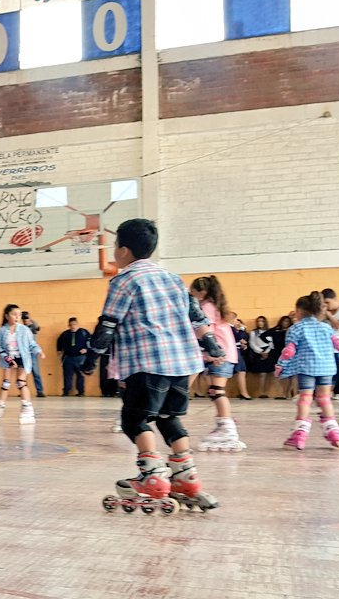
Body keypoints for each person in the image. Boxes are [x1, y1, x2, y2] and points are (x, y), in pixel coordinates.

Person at [80, 219, 223, 513]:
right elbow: (197, 317)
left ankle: (153, 476)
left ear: (123, 250)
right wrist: (211, 344)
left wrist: (92, 357)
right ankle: (186, 478)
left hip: (146, 362)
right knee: (169, 417)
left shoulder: (124, 281)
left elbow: (108, 324)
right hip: (181, 363)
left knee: (134, 419)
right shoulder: (172, 278)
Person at [278, 292, 339, 450]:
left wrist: (280, 366)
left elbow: (289, 351)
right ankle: (335, 435)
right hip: (326, 368)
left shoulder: (296, 329)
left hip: (306, 368)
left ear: (299, 311)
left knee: (305, 398)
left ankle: (300, 435)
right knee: (324, 399)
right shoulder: (326, 328)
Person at [190, 276, 246, 453]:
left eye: (193, 291)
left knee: (217, 391)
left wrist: (210, 352)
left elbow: (205, 332)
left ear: (202, 292)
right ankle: (224, 425)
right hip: (223, 353)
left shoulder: (206, 307)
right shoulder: (216, 306)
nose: (191, 295)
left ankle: (227, 428)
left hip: (220, 354)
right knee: (215, 390)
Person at [0, 304, 44, 424]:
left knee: (21, 382)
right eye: (14, 314)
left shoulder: (24, 330)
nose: (17, 317)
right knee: (6, 383)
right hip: (8, 358)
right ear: (6, 316)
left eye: (19, 315)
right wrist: (8, 360)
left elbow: (32, 344)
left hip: (22, 358)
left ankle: (27, 409)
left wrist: (39, 351)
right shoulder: (1, 331)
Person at [57, 317, 90, 396]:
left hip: (80, 357)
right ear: (68, 325)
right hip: (68, 357)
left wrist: (87, 349)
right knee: (67, 375)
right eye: (71, 325)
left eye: (74, 324)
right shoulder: (65, 334)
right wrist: (59, 350)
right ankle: (66, 391)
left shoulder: (84, 332)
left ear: (77, 324)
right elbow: (59, 341)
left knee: (80, 375)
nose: (73, 326)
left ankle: (81, 392)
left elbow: (90, 342)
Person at [247, 315, 276, 398]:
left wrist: (266, 352)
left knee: (269, 374)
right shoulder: (254, 332)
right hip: (258, 353)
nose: (260, 323)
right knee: (262, 374)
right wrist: (261, 352)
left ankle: (266, 391)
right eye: (259, 321)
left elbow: (271, 344)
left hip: (268, 353)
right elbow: (252, 344)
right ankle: (261, 391)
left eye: (262, 321)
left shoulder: (269, 332)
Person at [22, 310, 46, 398]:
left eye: (27, 319)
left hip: (32, 352)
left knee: (36, 372)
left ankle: (40, 390)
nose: (25, 321)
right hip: (24, 352)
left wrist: (31, 321)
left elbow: (38, 328)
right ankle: (23, 390)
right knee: (23, 373)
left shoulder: (33, 325)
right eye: (24, 319)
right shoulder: (21, 327)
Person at [270, 315, 295, 400]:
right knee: (284, 374)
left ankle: (295, 393)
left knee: (295, 375)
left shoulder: (296, 329)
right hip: (286, 353)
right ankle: (285, 393)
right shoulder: (282, 330)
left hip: (296, 353)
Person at [229, 314, 252, 400]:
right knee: (241, 371)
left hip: (237, 350)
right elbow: (237, 338)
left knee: (242, 371)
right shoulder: (229, 327)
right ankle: (243, 392)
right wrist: (242, 329)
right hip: (234, 351)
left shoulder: (231, 328)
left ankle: (243, 392)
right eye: (235, 319)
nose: (236, 322)